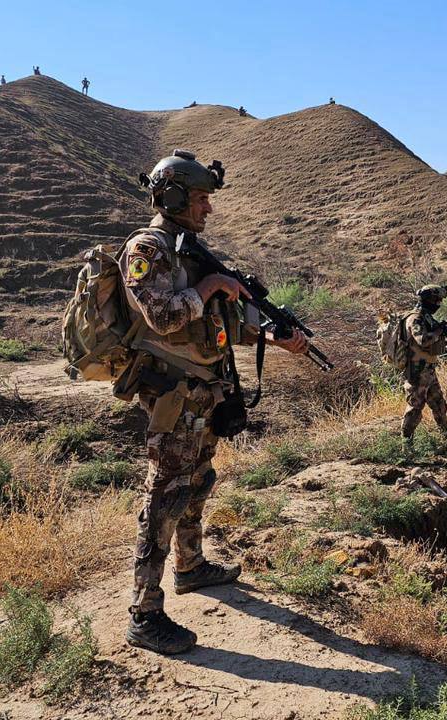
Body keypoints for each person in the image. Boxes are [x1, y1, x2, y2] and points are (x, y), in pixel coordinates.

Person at [122, 149, 308, 655]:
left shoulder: (190, 251)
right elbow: (163, 317)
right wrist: (209, 287)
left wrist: (271, 338)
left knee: (200, 479)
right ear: (174, 196)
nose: (209, 208)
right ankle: (144, 614)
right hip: (173, 393)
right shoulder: (148, 248)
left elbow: (216, 325)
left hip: (204, 390)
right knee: (165, 494)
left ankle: (190, 565)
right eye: (201, 198)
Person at [401, 285, 447, 451]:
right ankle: (406, 446)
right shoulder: (415, 318)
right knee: (414, 408)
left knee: (438, 403)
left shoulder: (426, 317)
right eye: (437, 300)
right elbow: (423, 340)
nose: (439, 304)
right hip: (416, 371)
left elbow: (435, 342)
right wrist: (439, 331)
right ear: (428, 300)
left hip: (428, 370)